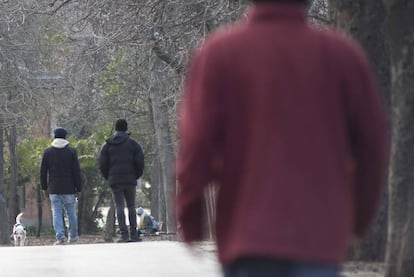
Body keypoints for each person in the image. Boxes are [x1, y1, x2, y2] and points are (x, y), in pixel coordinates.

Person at [175, 0, 389, 276]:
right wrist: (358, 219)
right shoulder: (342, 56)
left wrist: (191, 220)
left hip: (248, 236)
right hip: (319, 237)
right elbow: (372, 145)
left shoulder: (220, 54)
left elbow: (196, 146)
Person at [99, 119, 145, 242]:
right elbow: (140, 162)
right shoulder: (133, 144)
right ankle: (134, 234)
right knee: (131, 206)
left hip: (115, 180)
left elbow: (102, 164)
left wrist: (108, 177)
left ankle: (123, 234)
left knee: (119, 206)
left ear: (115, 128)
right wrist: (136, 175)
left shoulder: (107, 145)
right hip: (130, 179)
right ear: (126, 128)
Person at [41, 127, 82, 245]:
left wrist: (44, 187)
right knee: (71, 213)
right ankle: (73, 237)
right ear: (65, 137)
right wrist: (78, 188)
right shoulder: (71, 151)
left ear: (54, 136)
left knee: (56, 213)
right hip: (69, 188)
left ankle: (60, 237)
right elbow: (76, 171)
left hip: (54, 188)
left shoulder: (47, 152)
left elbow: (43, 172)